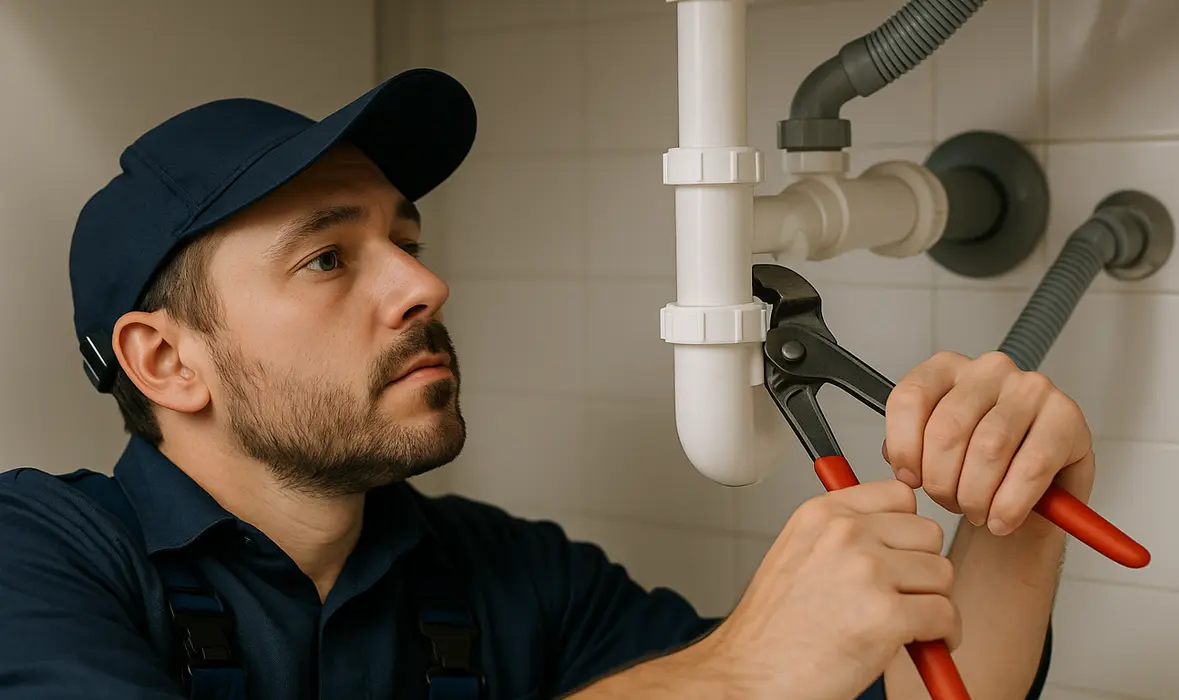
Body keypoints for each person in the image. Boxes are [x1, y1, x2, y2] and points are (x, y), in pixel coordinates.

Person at [0, 68, 1094, 700]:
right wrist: (732, 673)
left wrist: (1011, 515)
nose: (423, 282)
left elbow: (905, 695)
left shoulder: (510, 576)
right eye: (329, 258)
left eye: (407, 238)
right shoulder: (33, 557)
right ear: (163, 360)